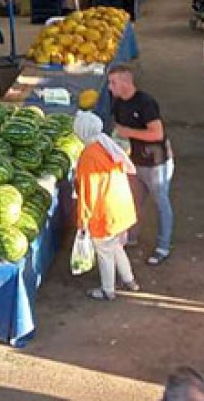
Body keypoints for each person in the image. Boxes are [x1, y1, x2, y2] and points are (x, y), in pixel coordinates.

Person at [107, 64, 174, 265]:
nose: (110, 87)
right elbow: (119, 130)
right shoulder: (118, 103)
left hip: (155, 164)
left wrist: (129, 132)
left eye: (113, 83)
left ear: (126, 83)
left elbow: (157, 133)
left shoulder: (146, 103)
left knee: (161, 203)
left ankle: (163, 246)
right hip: (134, 163)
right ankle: (131, 236)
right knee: (133, 201)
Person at [72, 111, 139, 301]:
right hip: (122, 208)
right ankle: (129, 280)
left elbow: (87, 192)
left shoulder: (88, 156)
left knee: (104, 253)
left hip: (106, 213)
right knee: (116, 247)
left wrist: (83, 222)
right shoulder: (106, 144)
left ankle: (108, 290)